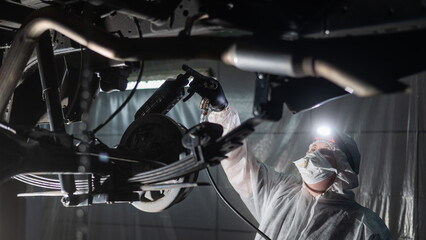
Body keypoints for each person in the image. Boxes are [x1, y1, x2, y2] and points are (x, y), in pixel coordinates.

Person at [193, 80, 392, 240]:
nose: (312, 156)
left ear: (345, 170)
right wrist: (222, 110)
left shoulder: (364, 226)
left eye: (325, 152)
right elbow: (239, 163)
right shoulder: (280, 192)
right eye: (312, 149)